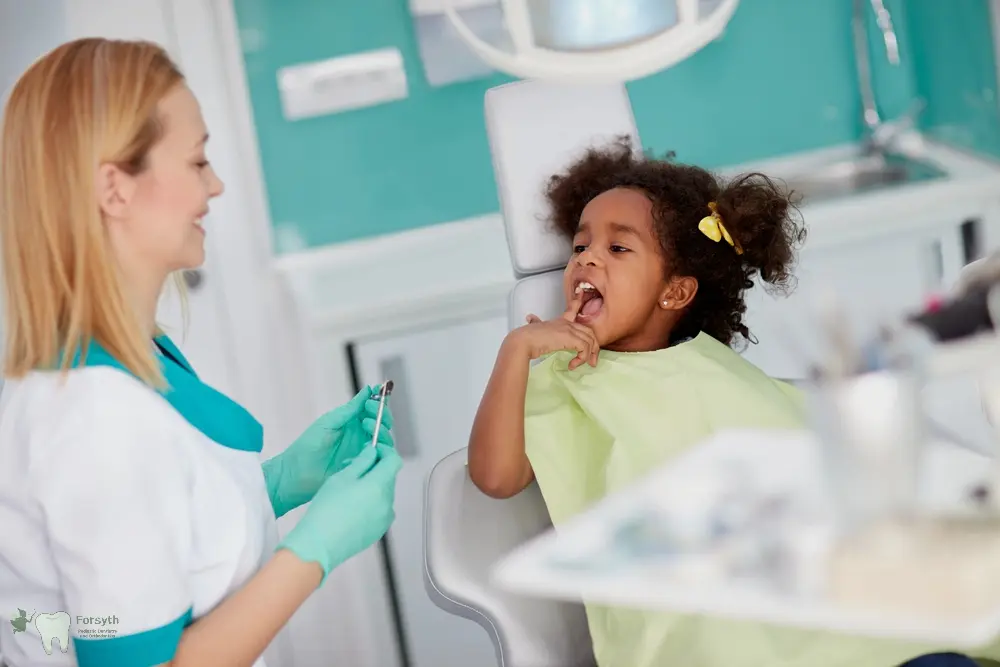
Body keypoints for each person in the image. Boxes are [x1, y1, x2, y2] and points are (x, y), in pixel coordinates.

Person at [467, 138, 1000, 667]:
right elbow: (495, 477)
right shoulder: (564, 374)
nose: (587, 261)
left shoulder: (711, 366)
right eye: (580, 247)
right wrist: (516, 353)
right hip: (699, 614)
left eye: (618, 248)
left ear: (674, 293)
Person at [0, 38, 402, 667]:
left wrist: (283, 482)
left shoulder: (131, 352)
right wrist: (315, 550)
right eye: (196, 162)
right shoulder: (92, 419)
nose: (214, 186)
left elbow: (156, 539)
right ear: (115, 190)